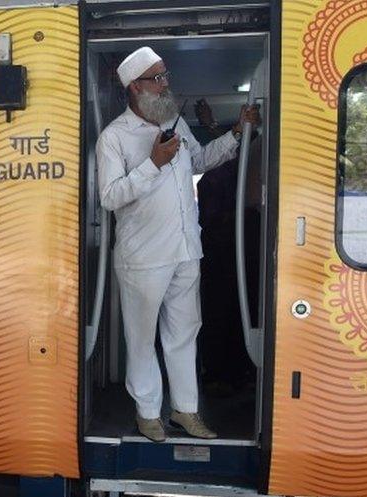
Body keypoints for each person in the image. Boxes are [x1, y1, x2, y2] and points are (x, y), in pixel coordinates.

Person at [96, 46, 259, 442]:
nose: (166, 84)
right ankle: (148, 413)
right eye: (158, 78)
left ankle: (185, 411)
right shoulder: (114, 138)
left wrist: (235, 133)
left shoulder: (173, 120)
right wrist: (153, 163)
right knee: (141, 338)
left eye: (166, 76)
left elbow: (199, 161)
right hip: (143, 258)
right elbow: (110, 196)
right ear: (135, 86)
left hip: (187, 251)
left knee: (184, 334)